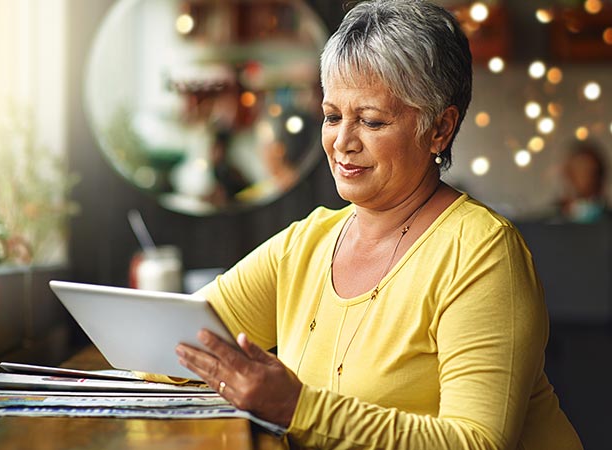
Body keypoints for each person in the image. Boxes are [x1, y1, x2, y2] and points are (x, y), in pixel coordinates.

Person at [175, 1, 583, 448]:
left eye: (371, 121)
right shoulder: (305, 245)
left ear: (440, 129)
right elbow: (175, 344)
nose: (342, 142)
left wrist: (297, 409)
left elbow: (477, 442)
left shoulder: (482, 253)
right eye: (332, 117)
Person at [555, 140, 610, 223]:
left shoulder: (607, 219)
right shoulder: (553, 219)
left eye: (589, 171)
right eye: (576, 170)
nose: (583, 178)